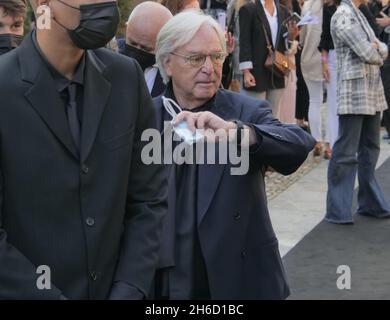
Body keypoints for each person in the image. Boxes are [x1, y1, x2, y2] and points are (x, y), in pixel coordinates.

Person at [0, 0, 167, 299]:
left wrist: (129, 288)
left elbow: (149, 199)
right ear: (42, 4)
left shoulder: (126, 78)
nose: (103, 4)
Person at [152, 11, 315, 299]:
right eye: (195, 58)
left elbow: (298, 144)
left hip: (236, 275)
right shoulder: (146, 114)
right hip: (164, 276)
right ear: (167, 62)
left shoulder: (244, 111)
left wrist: (243, 134)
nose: (209, 68)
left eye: (216, 57)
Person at [325, 0, 390, 224]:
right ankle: (338, 209)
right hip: (354, 92)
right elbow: (368, 52)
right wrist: (377, 49)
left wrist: (378, 48)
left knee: (371, 148)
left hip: (370, 91)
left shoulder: (359, 13)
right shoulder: (343, 15)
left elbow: (380, 47)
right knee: (346, 152)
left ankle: (370, 203)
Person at [239, 0, 298, 117]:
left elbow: (284, 45)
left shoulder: (283, 11)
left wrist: (292, 36)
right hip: (256, 71)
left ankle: (270, 136)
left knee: (273, 116)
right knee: (253, 116)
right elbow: (244, 42)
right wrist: (246, 71)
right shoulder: (249, 9)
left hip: (277, 70)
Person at [122, 1, 173, 97]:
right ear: (126, 29)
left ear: (165, 43)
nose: (137, 50)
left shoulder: (174, 72)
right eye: (132, 43)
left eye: (146, 49)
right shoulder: (108, 54)